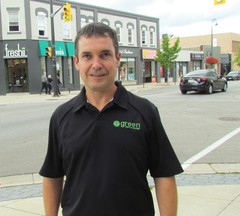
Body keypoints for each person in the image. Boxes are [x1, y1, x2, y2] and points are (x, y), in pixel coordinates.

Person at [40, 22, 183, 216]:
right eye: (87, 56)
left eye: (105, 54)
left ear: (117, 59)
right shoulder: (62, 116)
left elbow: (164, 174)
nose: (96, 64)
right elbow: (52, 175)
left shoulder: (144, 111)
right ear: (77, 62)